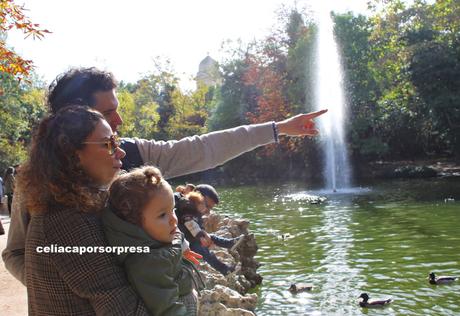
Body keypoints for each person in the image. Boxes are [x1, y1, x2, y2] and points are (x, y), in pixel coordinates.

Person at [3, 66, 327, 285]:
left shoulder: (133, 154)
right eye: (107, 112)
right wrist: (61, 284)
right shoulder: (37, 179)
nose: (118, 120)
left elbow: (203, 147)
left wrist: (277, 129)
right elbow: (17, 253)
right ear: (72, 120)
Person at [18, 106, 149, 314]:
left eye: (117, 141)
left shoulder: (63, 208)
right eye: (109, 143)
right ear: (72, 153)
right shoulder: (69, 222)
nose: (121, 151)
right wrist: (188, 295)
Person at [104, 166, 203, 315]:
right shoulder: (147, 263)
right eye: (162, 215)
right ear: (133, 222)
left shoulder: (156, 234)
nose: (173, 220)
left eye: (173, 210)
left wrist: (183, 246)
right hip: (181, 305)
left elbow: (175, 232)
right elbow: (166, 307)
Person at [175, 189, 244, 275]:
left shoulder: (195, 212)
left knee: (212, 237)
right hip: (188, 243)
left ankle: (230, 243)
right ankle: (225, 270)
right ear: (197, 203)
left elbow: (197, 226)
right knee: (206, 253)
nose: (207, 210)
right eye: (206, 206)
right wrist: (201, 236)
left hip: (192, 239)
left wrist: (205, 235)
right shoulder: (187, 212)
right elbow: (191, 226)